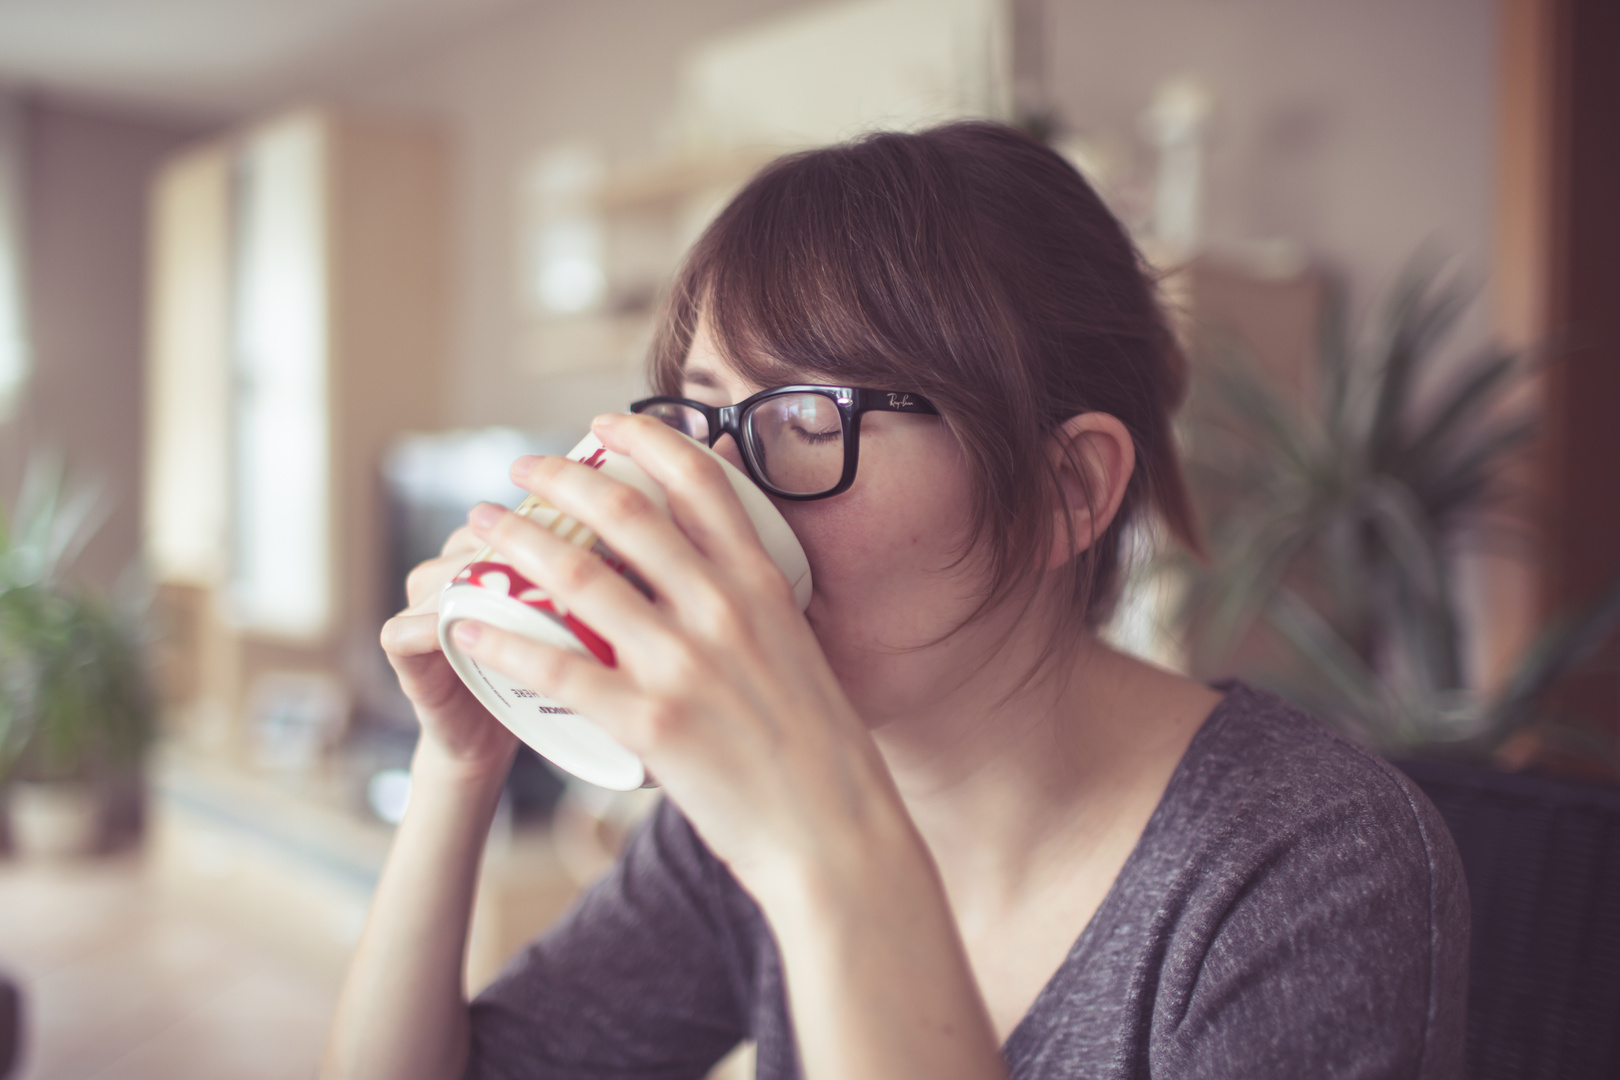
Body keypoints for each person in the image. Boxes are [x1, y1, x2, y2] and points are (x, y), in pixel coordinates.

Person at [321, 122, 1468, 1080]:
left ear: (1067, 490)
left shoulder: (1310, 867)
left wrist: (820, 845)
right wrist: (459, 765)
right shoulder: (735, 820)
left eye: (809, 421)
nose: (718, 498)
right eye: (704, 416)